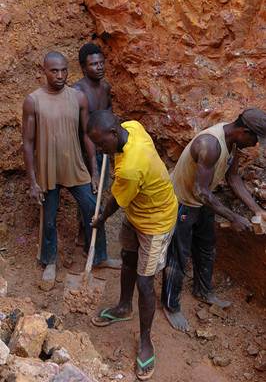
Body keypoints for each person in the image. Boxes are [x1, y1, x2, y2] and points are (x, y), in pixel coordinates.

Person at [88, 110, 177, 380]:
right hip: (138, 212)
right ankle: (124, 307)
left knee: (145, 281)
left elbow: (115, 202)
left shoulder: (129, 167)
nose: (101, 151)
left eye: (102, 144)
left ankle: (146, 340)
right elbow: (122, 186)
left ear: (114, 134)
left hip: (156, 222)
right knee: (127, 257)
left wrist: (100, 219)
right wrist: (111, 154)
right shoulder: (132, 126)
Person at [161, 108, 266, 332]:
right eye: (255, 139)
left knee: (207, 248)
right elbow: (200, 191)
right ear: (243, 131)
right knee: (178, 255)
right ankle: (170, 305)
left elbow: (233, 178)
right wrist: (233, 216)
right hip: (183, 202)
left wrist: (257, 209)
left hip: (203, 201)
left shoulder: (234, 143)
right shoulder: (209, 146)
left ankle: (203, 290)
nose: (255, 144)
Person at [22, 51, 107, 289]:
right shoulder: (33, 101)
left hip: (75, 167)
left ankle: (100, 255)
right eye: (54, 71)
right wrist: (32, 181)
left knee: (94, 208)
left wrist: (94, 170)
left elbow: (87, 134)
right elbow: (27, 143)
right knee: (49, 220)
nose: (60, 75)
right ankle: (49, 262)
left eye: (64, 70)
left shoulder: (78, 98)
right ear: (44, 71)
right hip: (47, 170)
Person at [72, 43, 120, 268]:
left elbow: (109, 117)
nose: (99, 67)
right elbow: (84, 133)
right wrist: (93, 168)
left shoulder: (106, 87)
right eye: (93, 64)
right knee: (95, 203)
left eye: (101, 62)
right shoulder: (78, 92)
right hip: (84, 155)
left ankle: (84, 237)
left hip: (103, 152)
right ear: (83, 67)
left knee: (97, 198)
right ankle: (99, 255)